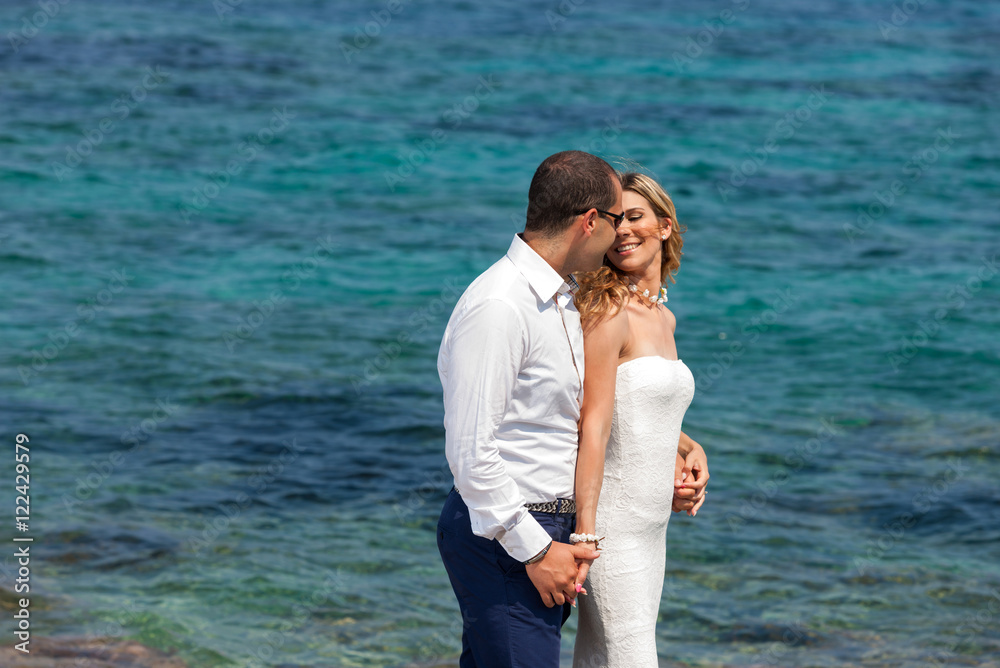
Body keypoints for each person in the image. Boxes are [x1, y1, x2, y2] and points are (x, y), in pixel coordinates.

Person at [436, 150, 622, 667]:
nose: (619, 236)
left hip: (539, 533)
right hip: (509, 537)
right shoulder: (500, 306)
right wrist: (536, 550)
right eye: (615, 219)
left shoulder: (560, 300)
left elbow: (573, 412)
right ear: (589, 222)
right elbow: (471, 452)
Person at [571, 172, 709, 667]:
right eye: (613, 222)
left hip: (653, 531)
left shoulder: (662, 316)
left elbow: (640, 405)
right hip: (612, 529)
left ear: (665, 226)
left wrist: (687, 447)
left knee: (598, 660)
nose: (624, 230)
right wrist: (584, 535)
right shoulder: (609, 310)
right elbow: (591, 419)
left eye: (635, 217)